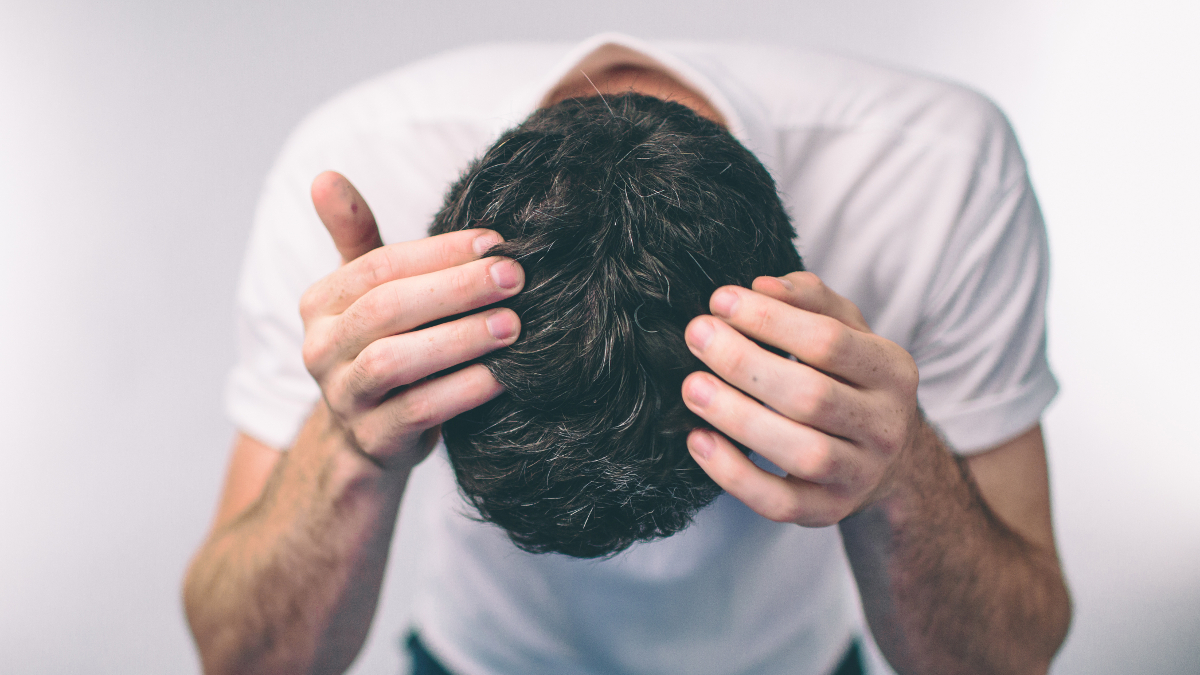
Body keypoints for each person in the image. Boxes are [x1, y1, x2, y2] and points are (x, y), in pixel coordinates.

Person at [183, 33, 1071, 675]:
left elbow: (1012, 659)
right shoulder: (360, 169)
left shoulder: (940, 174)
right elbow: (241, 658)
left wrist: (899, 466)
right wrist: (349, 441)